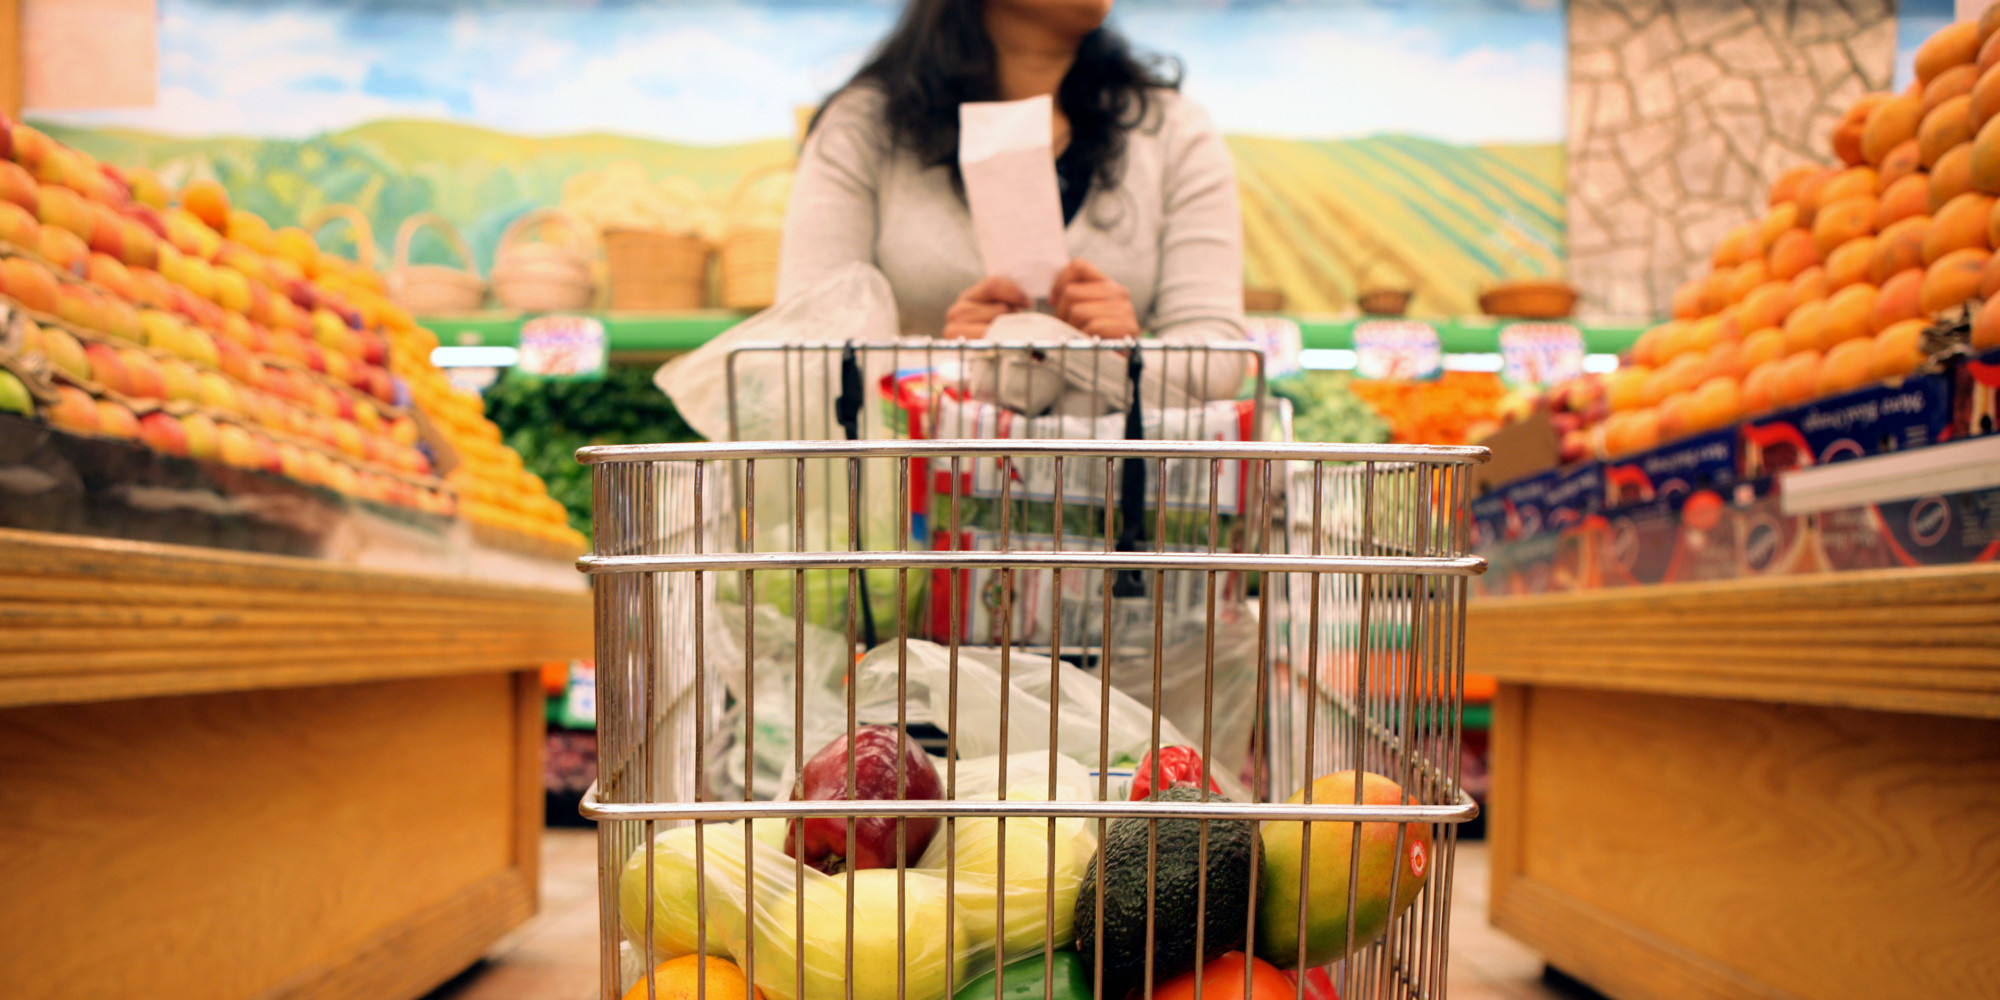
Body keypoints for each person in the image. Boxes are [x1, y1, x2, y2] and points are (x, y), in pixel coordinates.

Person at [776, 0, 1248, 398]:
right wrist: (944, 363)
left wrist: (1125, 354)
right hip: (915, 496)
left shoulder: (1173, 131)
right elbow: (801, 350)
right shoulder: (863, 128)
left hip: (1109, 495)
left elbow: (1221, 358)